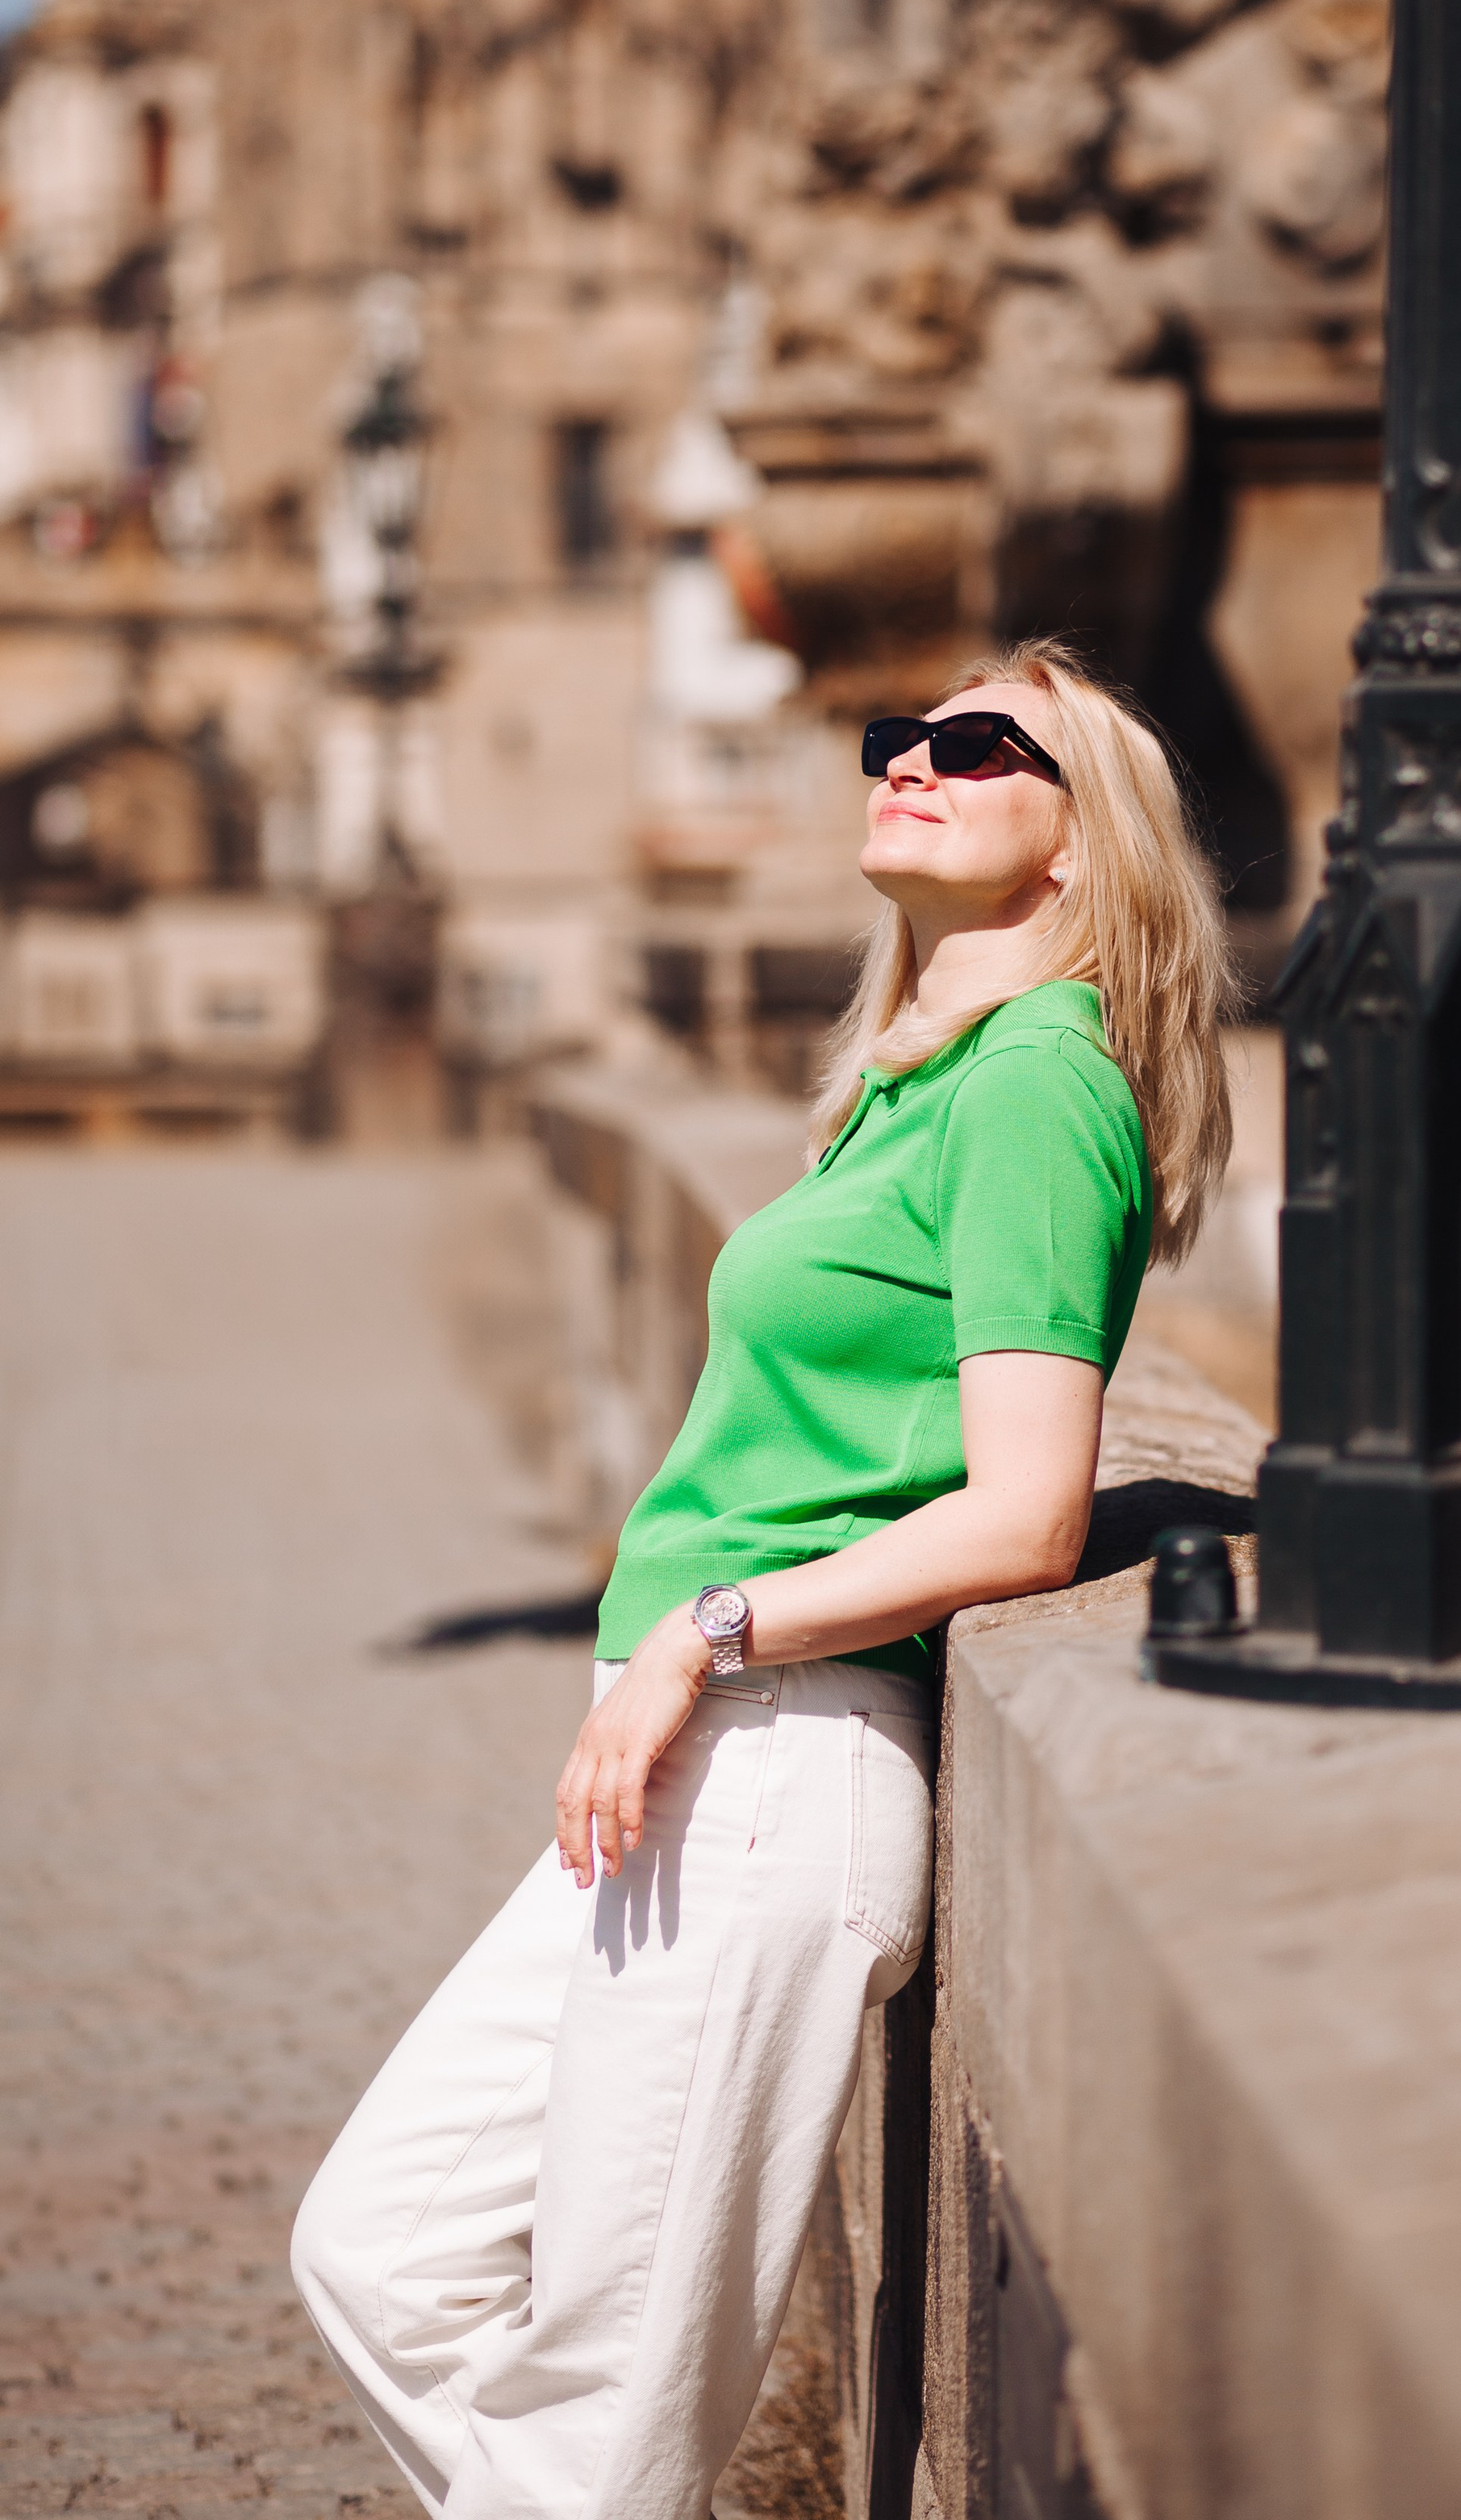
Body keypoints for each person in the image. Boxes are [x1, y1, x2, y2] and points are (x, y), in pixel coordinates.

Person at [290, 637, 1234, 2519]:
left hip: (774, 1765)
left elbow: (1028, 1510)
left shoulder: (1043, 1090)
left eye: (979, 748)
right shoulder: (912, 1080)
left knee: (595, 2428)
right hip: (686, 1769)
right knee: (379, 2248)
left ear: (1076, 846)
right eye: (903, 736)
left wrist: (701, 1635)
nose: (912, 760)